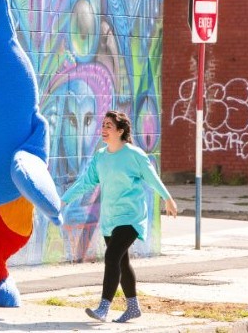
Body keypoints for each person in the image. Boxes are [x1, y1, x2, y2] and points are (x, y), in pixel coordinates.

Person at [61, 110, 178, 323]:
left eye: (108, 126)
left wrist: (167, 198)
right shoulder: (101, 157)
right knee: (122, 263)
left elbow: (152, 179)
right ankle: (133, 307)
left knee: (112, 257)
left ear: (120, 131)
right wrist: (64, 200)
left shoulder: (135, 155)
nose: (103, 129)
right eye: (103, 125)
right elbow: (86, 182)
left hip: (131, 217)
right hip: (110, 219)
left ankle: (104, 307)